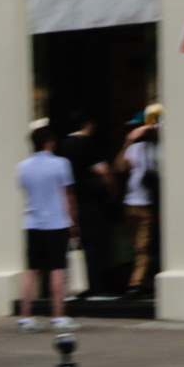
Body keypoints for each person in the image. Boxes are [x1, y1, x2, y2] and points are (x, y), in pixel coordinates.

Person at [15, 125, 77, 331]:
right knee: (57, 269)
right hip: (56, 222)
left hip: (32, 222)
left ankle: (25, 316)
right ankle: (58, 315)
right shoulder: (61, 164)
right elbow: (67, 194)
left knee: (32, 270)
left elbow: (25, 190)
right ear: (49, 142)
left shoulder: (22, 167)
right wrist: (73, 220)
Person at [56, 115, 116, 294]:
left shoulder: (62, 146)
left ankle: (73, 287)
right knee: (94, 244)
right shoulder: (86, 143)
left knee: (74, 243)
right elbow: (102, 170)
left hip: (69, 200)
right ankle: (95, 286)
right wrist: (112, 192)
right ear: (87, 123)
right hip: (91, 201)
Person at [118, 113, 160, 294]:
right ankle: (140, 282)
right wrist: (128, 141)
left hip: (149, 203)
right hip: (134, 203)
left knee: (143, 246)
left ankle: (136, 283)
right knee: (140, 246)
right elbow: (119, 167)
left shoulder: (160, 147)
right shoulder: (135, 149)